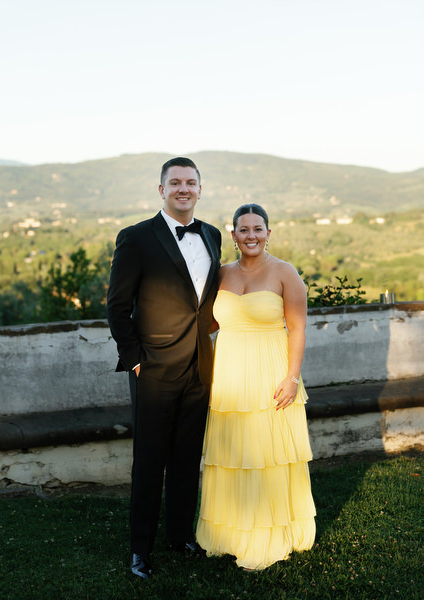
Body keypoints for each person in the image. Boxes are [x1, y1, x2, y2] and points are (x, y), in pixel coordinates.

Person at [107, 157, 221, 580]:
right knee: (150, 462)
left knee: (187, 458)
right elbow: (118, 308)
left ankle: (180, 536)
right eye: (175, 182)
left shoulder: (211, 235)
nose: (183, 189)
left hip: (199, 367)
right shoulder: (135, 238)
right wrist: (135, 360)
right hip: (152, 369)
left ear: (200, 188)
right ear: (161, 190)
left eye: (191, 182)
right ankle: (140, 550)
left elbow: (204, 305)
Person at [196, 203, 316, 570]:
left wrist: (292, 377)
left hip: (271, 372)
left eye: (257, 229)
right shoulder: (219, 274)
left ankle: (271, 531)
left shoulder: (285, 272)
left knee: (269, 452)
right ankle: (230, 532)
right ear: (233, 236)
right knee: (232, 451)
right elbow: (210, 323)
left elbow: (297, 328)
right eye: (243, 230)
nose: (251, 236)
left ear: (268, 233)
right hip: (229, 374)